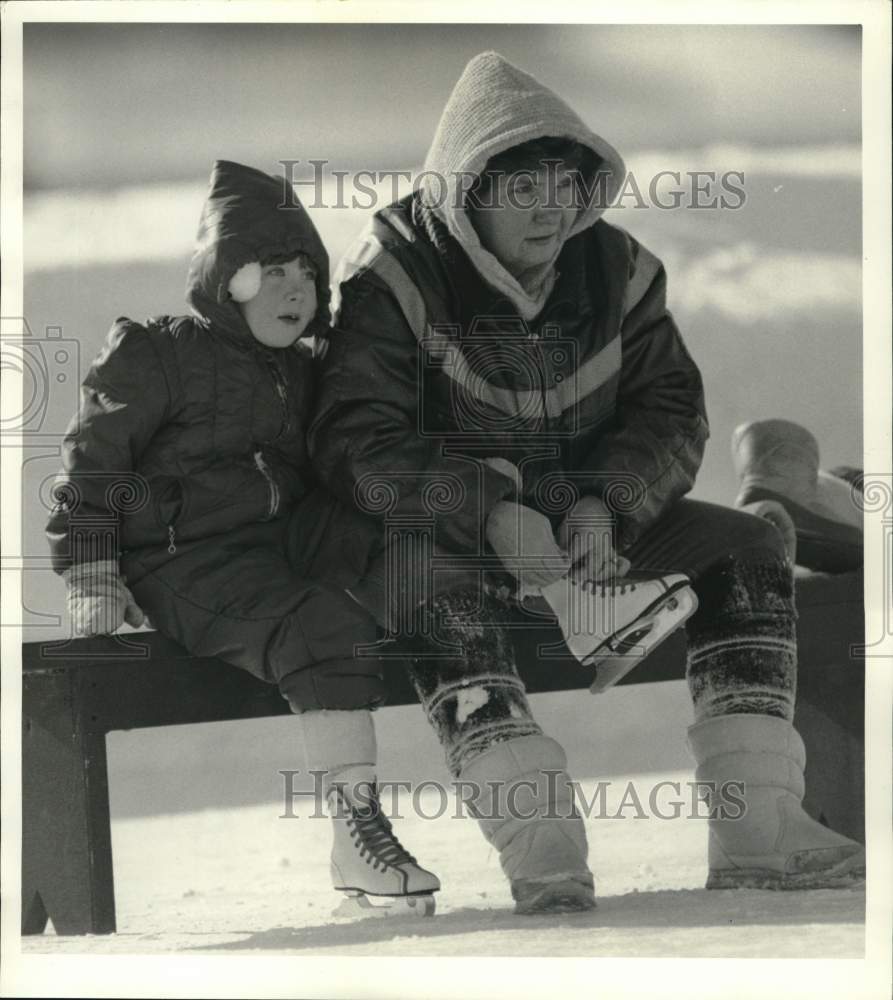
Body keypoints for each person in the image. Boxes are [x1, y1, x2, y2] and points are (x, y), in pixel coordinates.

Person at [308, 52, 865, 913]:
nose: (552, 208)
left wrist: (602, 503)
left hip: (584, 533)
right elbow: (353, 443)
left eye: (566, 184)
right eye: (523, 187)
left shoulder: (617, 269)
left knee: (747, 543)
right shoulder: (391, 276)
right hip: (443, 543)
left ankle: (757, 825)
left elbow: (670, 409)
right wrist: (489, 511)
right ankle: (542, 846)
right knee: (421, 576)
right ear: (467, 190)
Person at [46, 160, 440, 917]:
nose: (296, 290)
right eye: (272, 272)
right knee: (323, 623)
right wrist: (92, 570)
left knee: (403, 541)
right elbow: (91, 461)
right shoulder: (157, 353)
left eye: (307, 274)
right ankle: (357, 833)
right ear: (227, 279)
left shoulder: (306, 369)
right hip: (181, 561)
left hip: (277, 550)